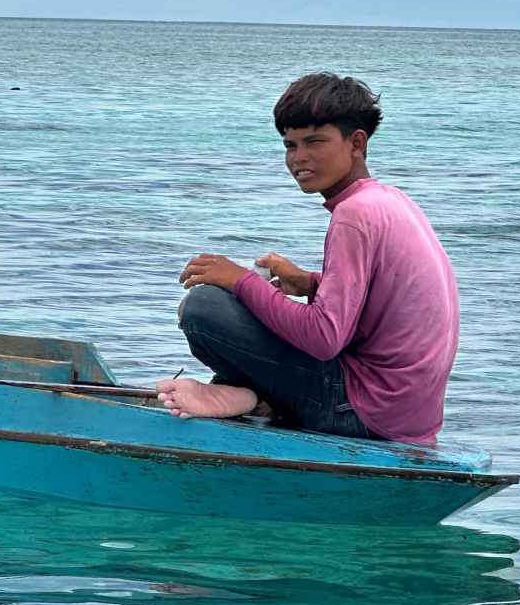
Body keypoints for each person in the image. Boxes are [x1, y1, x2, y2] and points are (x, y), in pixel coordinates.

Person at [157, 73, 459, 445]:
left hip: (363, 414)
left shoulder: (354, 215)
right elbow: (384, 303)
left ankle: (252, 397)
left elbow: (325, 338)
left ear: (356, 143)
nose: (299, 157)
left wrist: (240, 280)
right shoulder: (391, 201)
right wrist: (310, 284)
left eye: (314, 142)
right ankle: (253, 397)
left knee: (205, 307)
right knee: (239, 300)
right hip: (407, 416)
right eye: (290, 145)